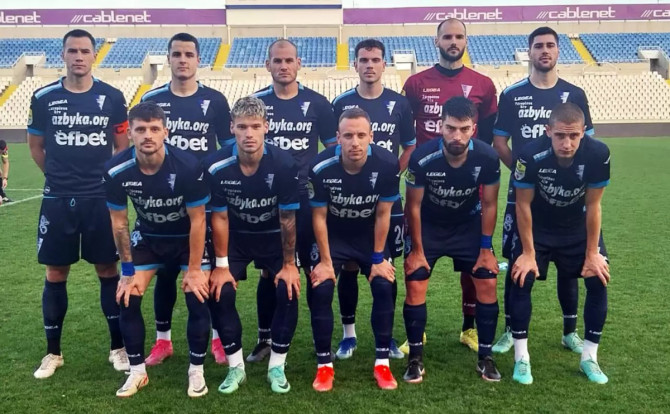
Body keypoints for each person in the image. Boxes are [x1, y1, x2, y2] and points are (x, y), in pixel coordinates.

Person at [27, 29, 130, 379]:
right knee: (56, 272)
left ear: (94, 55)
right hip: (58, 198)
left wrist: (106, 182)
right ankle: (52, 353)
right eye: (72, 50)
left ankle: (117, 348)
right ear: (63, 55)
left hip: (99, 198)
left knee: (108, 270)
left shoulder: (112, 97)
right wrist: (57, 178)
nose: (79, 57)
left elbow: (121, 147)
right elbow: (36, 147)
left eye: (85, 51)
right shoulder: (44, 97)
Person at [491, 26, 595, 355]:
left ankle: (570, 331)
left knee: (569, 264)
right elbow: (499, 142)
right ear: (530, 52)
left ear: (558, 50)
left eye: (550, 45)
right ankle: (511, 330)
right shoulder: (512, 94)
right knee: (518, 261)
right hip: (524, 193)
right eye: (538, 46)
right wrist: (525, 173)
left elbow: (588, 142)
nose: (544, 50)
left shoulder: (574, 94)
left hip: (567, 195)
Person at [401, 18, 498, 352]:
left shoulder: (483, 84)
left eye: (458, 36)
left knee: (474, 267)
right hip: (425, 183)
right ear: (436, 41)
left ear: (466, 41)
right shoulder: (415, 83)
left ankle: (469, 328)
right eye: (447, 37)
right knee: (416, 264)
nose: (453, 42)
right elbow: (406, 131)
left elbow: (486, 137)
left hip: (467, 185)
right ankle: (416, 333)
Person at [105, 102, 211, 397]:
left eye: (154, 129)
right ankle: (137, 372)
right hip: (149, 238)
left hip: (186, 238)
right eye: (140, 129)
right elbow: (119, 223)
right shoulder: (116, 169)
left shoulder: (188, 165)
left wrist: (194, 270)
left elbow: (199, 220)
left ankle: (196, 371)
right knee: (127, 296)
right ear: (130, 133)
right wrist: (127, 271)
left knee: (197, 294)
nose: (148, 135)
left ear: (166, 132)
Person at [140, 32, 232, 366]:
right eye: (176, 54)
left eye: (188, 54)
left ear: (198, 60)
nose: (182, 60)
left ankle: (218, 339)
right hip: (160, 203)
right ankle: (163, 341)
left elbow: (227, 149)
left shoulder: (216, 100)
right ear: (168, 58)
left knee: (206, 273)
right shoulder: (152, 99)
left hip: (200, 201)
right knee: (164, 274)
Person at [202, 96, 301, 394]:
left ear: (266, 128)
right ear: (231, 127)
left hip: (272, 236)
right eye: (242, 126)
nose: (249, 134)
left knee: (288, 289)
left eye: (255, 126)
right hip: (236, 238)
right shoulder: (216, 166)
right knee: (220, 292)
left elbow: (287, 217)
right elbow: (219, 218)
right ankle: (236, 368)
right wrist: (221, 266)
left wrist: (289, 265)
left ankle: (277, 366)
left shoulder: (284, 164)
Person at [248, 38, 337, 363]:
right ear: (268, 65)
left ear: (299, 63)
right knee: (269, 271)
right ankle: (265, 338)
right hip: (268, 200)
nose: (283, 66)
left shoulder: (318, 103)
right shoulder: (256, 103)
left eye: (289, 60)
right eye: (277, 60)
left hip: (306, 199)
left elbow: (332, 150)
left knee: (314, 268)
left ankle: (319, 339)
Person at [509, 102, 610, 385]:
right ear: (548, 131)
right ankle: (521, 358)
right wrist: (528, 253)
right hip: (538, 227)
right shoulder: (529, 155)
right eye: (560, 136)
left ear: (583, 132)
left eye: (574, 136)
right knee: (522, 277)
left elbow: (594, 206)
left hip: (576, 227)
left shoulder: (598, 153)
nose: (567, 143)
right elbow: (522, 205)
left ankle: (589, 357)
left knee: (598, 277)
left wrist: (592, 253)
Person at [402, 97, 501, 384]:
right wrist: (417, 249)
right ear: (440, 127)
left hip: (467, 224)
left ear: (474, 129)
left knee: (487, 279)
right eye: (451, 128)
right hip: (429, 225)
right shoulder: (422, 158)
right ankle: (415, 359)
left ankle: (486, 357)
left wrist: (485, 248)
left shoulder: (487, 157)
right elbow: (413, 206)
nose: (457, 136)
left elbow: (490, 204)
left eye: (464, 129)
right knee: (416, 280)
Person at [331, 38, 415, 360]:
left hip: (386, 201)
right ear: (355, 64)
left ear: (384, 64)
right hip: (348, 200)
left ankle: (386, 336)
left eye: (375, 59)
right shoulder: (341, 103)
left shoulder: (399, 103)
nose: (369, 65)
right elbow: (334, 147)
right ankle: (348, 334)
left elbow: (409, 145)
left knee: (386, 266)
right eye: (363, 60)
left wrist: (390, 175)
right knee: (349, 266)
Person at [308, 108, 400, 391]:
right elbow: (319, 217)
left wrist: (378, 258)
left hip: (368, 234)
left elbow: (383, 213)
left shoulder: (387, 164)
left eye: (361, 135)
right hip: (333, 235)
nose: (355, 142)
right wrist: (325, 262)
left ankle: (382, 364)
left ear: (371, 136)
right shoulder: (320, 167)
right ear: (338, 138)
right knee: (321, 287)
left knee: (384, 284)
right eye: (348, 136)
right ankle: (324, 367)